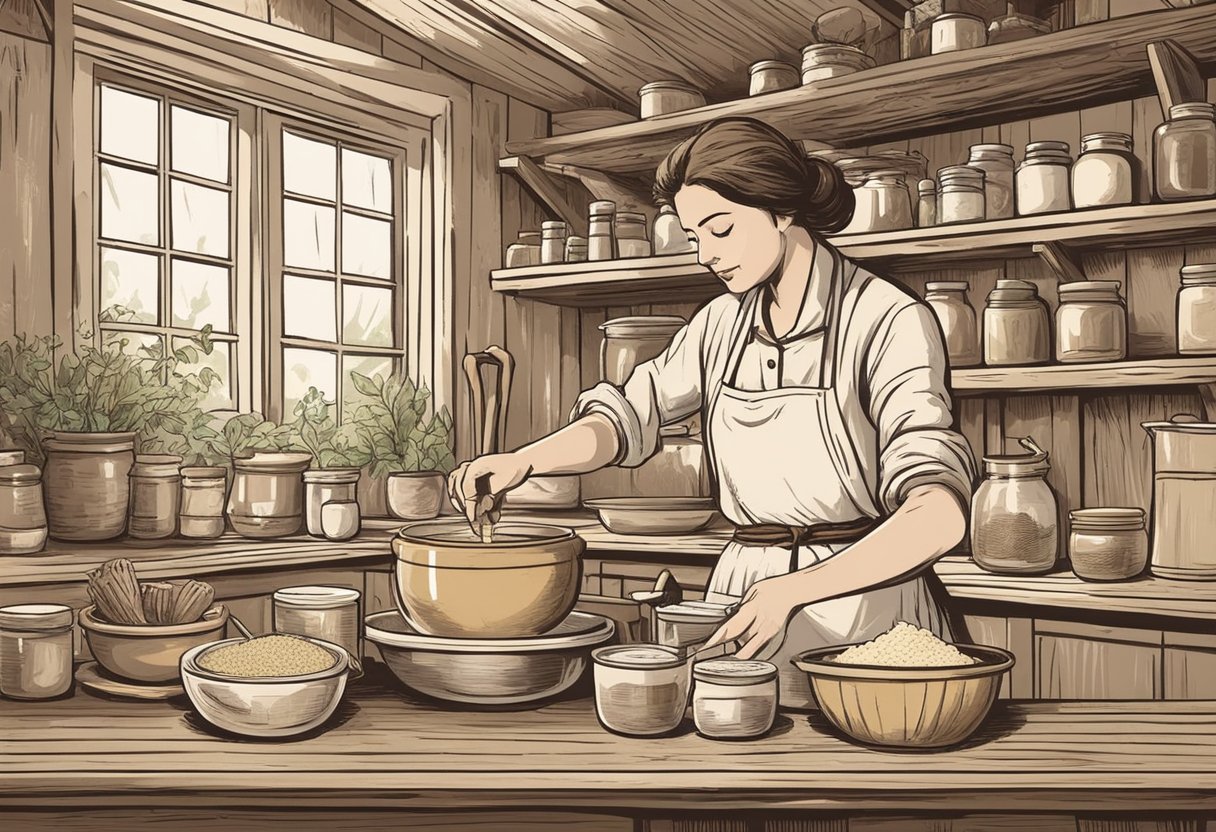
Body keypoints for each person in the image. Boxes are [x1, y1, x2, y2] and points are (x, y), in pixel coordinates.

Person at [449, 117, 977, 707]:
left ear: (782, 210)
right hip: (742, 601)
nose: (705, 256)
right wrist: (525, 460)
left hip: (866, 612)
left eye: (720, 230)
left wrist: (795, 591)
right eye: (695, 235)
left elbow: (938, 515)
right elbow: (627, 417)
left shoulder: (888, 320)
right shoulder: (721, 324)